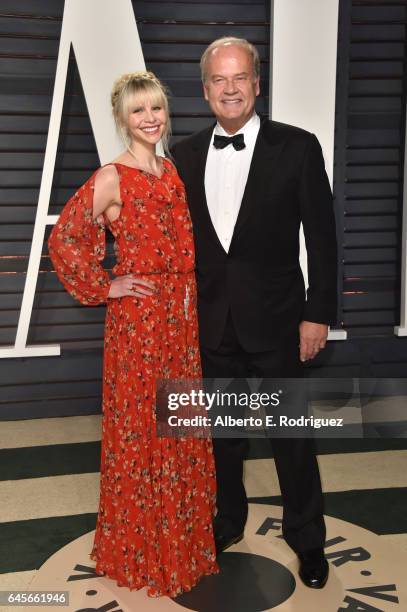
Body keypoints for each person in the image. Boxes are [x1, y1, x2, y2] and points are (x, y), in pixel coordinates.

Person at [171, 37, 338, 589]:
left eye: (239, 77)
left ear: (257, 83)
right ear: (205, 91)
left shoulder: (298, 147)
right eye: (219, 80)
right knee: (225, 436)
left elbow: (322, 237)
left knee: (290, 436)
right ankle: (227, 520)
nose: (230, 88)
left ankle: (308, 542)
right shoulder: (186, 154)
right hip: (213, 323)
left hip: (279, 321)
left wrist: (318, 313)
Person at [48, 71, 219, 597]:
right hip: (141, 323)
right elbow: (65, 240)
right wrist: (108, 284)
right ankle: (146, 553)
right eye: (139, 111)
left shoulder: (171, 171)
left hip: (180, 318)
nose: (150, 118)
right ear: (123, 119)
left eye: (157, 109)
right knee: (144, 428)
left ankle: (181, 545)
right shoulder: (112, 177)